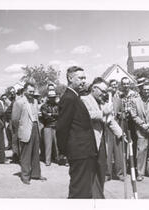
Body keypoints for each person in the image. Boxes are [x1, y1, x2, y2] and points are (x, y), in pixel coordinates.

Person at [56, 66, 97, 198]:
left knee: (83, 190)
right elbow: (62, 128)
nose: (84, 81)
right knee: (79, 191)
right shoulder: (69, 98)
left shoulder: (75, 97)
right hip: (79, 153)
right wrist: (63, 152)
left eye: (85, 78)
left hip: (84, 152)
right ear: (70, 78)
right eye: (80, 78)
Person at [81, 77, 123, 198]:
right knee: (91, 171)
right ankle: (94, 197)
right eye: (102, 91)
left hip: (101, 141)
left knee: (101, 169)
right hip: (89, 142)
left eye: (106, 92)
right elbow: (84, 115)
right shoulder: (84, 100)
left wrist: (120, 133)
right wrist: (102, 113)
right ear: (94, 88)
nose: (104, 94)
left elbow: (110, 120)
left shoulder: (101, 102)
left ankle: (98, 195)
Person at [12, 82, 46, 185]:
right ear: (25, 90)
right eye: (29, 91)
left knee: (36, 152)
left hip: (35, 128)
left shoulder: (35, 101)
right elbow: (15, 120)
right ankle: (25, 176)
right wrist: (20, 131)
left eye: (33, 91)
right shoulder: (19, 102)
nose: (31, 93)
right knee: (26, 154)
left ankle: (36, 174)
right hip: (25, 129)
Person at [130, 82, 149, 181]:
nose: (146, 91)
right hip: (141, 130)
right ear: (141, 90)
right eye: (144, 89)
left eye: (148, 89)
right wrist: (143, 125)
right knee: (141, 151)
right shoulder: (135, 101)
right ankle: (140, 173)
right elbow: (134, 115)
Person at [105, 79, 125, 181]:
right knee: (107, 151)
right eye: (112, 85)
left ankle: (119, 173)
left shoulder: (119, 100)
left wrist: (121, 114)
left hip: (117, 125)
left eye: (115, 86)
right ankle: (107, 174)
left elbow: (122, 112)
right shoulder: (104, 98)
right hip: (107, 127)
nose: (114, 87)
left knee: (118, 151)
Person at [40, 90, 59, 166]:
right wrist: (54, 116)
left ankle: (58, 159)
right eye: (51, 97)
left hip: (56, 126)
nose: (52, 99)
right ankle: (48, 161)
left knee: (57, 144)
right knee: (48, 145)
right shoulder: (44, 106)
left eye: (53, 97)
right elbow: (45, 117)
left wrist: (51, 114)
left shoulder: (58, 105)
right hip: (47, 126)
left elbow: (60, 114)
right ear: (48, 98)